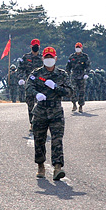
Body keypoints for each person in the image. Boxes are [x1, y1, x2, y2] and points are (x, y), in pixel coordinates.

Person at [29, 46, 71, 180]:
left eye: (51, 57)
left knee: (57, 140)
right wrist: (36, 94)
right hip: (41, 110)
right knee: (39, 139)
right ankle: (40, 166)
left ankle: (57, 168)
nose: (48, 59)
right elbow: (28, 87)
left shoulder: (62, 74)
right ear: (42, 58)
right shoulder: (36, 74)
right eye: (46, 57)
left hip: (56, 111)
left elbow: (70, 92)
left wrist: (56, 87)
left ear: (55, 59)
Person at [17, 39, 44, 132]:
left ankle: (39, 122)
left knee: (41, 104)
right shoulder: (26, 57)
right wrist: (21, 78)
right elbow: (20, 69)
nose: (35, 47)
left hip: (40, 84)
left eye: (37, 45)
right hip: (29, 84)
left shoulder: (42, 58)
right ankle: (32, 123)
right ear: (31, 46)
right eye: (34, 45)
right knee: (30, 104)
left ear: (39, 47)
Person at [66, 42, 90, 112]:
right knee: (73, 90)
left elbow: (88, 66)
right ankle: (74, 104)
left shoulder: (85, 57)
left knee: (81, 91)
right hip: (74, 75)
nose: (78, 49)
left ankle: (81, 106)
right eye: (77, 47)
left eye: (79, 47)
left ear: (82, 48)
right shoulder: (72, 57)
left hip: (82, 75)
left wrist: (86, 74)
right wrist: (67, 74)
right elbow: (68, 66)